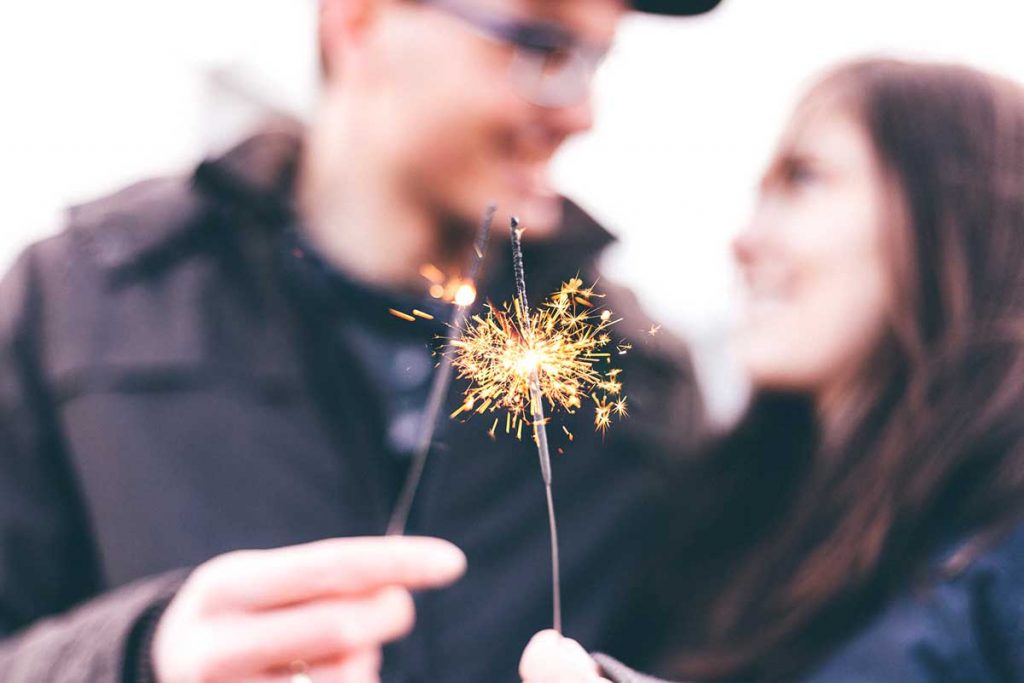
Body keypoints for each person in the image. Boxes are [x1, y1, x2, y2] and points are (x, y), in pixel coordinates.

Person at [0, 0, 720, 681]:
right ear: (360, 21)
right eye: (541, 46)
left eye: (598, 58)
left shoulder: (641, 386)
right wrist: (139, 657)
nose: (580, 113)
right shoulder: (78, 301)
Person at [519, 58, 1024, 682]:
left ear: (960, 212)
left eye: (804, 180)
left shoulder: (1003, 542)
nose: (744, 242)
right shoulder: (725, 519)